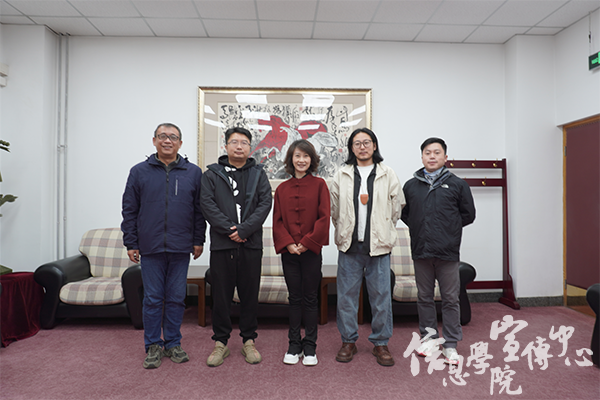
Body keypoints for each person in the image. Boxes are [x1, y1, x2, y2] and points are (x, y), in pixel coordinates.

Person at [121, 123, 206, 369]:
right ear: (154, 140)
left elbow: (199, 211)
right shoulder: (139, 171)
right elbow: (129, 210)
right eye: (163, 136)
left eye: (173, 137)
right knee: (153, 299)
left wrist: (198, 240)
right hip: (151, 246)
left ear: (180, 143)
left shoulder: (193, 172)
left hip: (181, 246)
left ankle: (173, 343)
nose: (167, 141)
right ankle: (152, 345)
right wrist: (131, 242)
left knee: (177, 298)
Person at [330, 127, 405, 367]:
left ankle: (381, 343)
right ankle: (348, 341)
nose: (362, 147)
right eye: (357, 143)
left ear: (374, 146)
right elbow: (334, 210)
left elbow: (397, 208)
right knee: (346, 298)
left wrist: (383, 229)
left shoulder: (387, 173)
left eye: (366, 142)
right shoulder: (341, 174)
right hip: (349, 247)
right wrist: (345, 231)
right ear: (351, 148)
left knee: (381, 298)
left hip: (379, 247)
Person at [201, 127, 272, 367]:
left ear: (250, 147)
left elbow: (265, 204)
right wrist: (231, 230)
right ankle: (220, 343)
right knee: (220, 296)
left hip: (251, 245)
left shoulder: (259, 173)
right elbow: (207, 205)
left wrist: (244, 231)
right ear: (226, 146)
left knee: (249, 295)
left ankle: (248, 341)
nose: (239, 146)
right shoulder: (212, 174)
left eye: (244, 142)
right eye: (234, 142)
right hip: (222, 245)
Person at [400, 137, 475, 365]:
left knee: (450, 299)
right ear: (422, 156)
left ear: (445, 157)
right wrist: (422, 229)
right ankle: (429, 339)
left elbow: (468, 215)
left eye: (437, 152)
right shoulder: (410, 186)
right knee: (424, 297)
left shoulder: (458, 184)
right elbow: (406, 214)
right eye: (427, 153)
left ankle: (450, 345)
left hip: (447, 252)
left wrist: (447, 230)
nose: (432, 156)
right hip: (421, 250)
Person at [273, 139, 330, 366]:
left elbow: (324, 218)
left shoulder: (320, 185)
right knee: (294, 298)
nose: (301, 160)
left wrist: (307, 242)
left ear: (311, 160)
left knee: (310, 298)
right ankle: (294, 344)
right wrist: (288, 243)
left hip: (311, 251)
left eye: (306, 156)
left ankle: (310, 347)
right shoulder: (282, 189)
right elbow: (277, 221)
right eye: (297, 156)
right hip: (289, 252)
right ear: (291, 159)